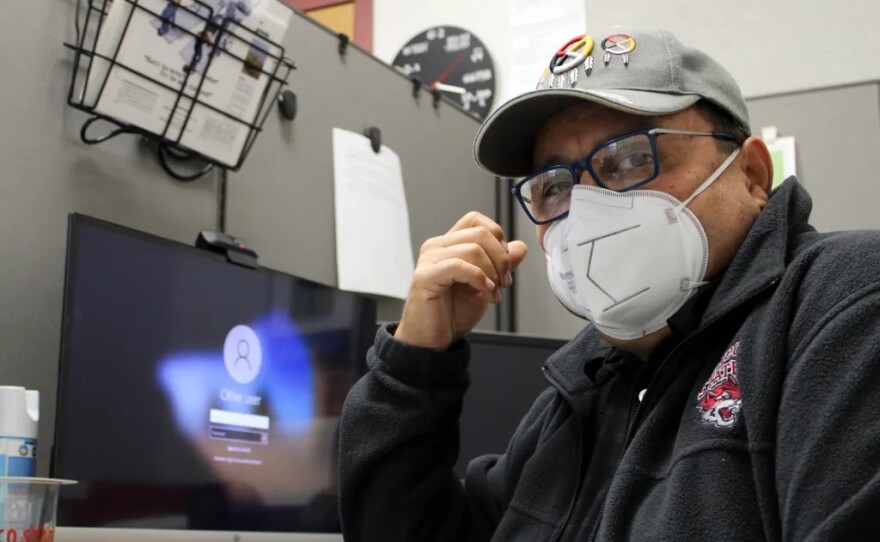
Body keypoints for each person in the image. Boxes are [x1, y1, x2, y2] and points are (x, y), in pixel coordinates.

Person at [338, 28, 880, 541]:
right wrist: (414, 365)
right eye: (555, 186)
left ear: (752, 175)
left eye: (629, 159)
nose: (589, 209)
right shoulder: (585, 387)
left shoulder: (842, 304)